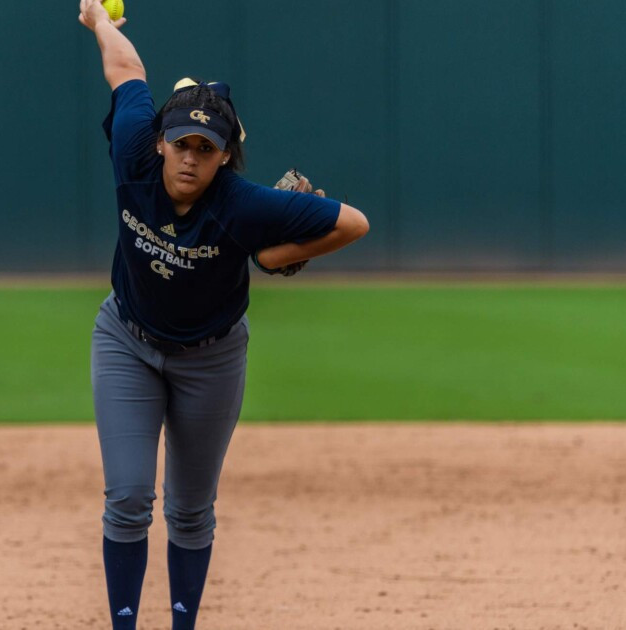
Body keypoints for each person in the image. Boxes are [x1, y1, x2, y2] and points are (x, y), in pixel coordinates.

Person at [78, 1, 370, 627]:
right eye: (181, 142)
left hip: (210, 359)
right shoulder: (133, 153)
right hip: (127, 339)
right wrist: (99, 20)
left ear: (224, 157)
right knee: (128, 496)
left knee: (190, 510)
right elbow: (125, 68)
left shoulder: (244, 205)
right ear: (159, 141)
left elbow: (354, 223)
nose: (190, 157)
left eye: (206, 148)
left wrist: (275, 255)